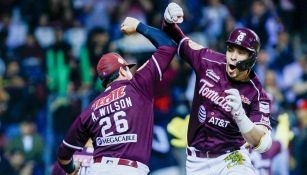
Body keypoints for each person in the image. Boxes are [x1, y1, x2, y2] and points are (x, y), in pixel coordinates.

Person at [56, 16, 177, 175]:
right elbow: (168, 45)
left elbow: (63, 155)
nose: (130, 71)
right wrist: (139, 26)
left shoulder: (91, 108)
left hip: (97, 169)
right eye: (128, 68)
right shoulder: (138, 85)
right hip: (129, 169)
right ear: (122, 70)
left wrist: (72, 168)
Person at [162, 3, 272, 175]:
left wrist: (241, 116)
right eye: (231, 49)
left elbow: (262, 142)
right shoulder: (208, 61)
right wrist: (169, 20)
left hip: (231, 158)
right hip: (195, 162)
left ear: (252, 58)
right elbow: (177, 38)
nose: (233, 57)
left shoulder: (257, 94)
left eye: (241, 52)